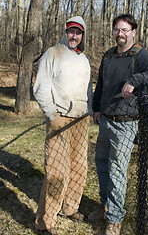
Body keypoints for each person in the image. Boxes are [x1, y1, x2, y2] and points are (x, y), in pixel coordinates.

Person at [88, 14, 148, 235]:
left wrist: (134, 80)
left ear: (133, 32)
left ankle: (114, 220)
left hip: (126, 124)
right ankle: (105, 206)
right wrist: (97, 108)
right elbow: (101, 84)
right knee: (102, 164)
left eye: (124, 30)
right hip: (106, 120)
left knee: (117, 171)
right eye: (116, 29)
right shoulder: (109, 55)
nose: (119, 34)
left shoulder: (139, 55)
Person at [33, 16, 92, 235]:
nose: (74, 36)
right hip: (59, 118)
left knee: (78, 167)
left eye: (78, 33)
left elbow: (88, 90)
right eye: (71, 32)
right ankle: (45, 222)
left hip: (81, 119)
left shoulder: (84, 59)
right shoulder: (53, 53)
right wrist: (51, 115)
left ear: (83, 35)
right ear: (65, 32)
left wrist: (91, 108)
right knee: (57, 170)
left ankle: (70, 208)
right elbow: (40, 87)